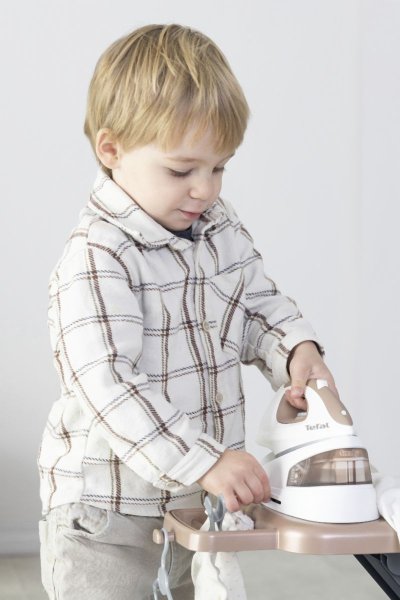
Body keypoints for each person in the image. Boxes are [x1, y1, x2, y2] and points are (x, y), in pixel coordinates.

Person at [38, 23, 338, 600]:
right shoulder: (97, 256)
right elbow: (109, 386)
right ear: (112, 150)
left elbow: (255, 305)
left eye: (219, 167)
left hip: (193, 505)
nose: (206, 189)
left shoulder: (217, 228)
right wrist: (204, 460)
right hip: (109, 521)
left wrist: (296, 350)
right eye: (182, 171)